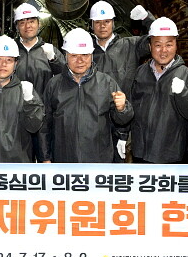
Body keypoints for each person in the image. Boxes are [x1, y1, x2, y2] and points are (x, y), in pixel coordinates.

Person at [37, 28, 134, 163]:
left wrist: (123, 108)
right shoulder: (54, 85)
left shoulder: (106, 83)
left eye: (85, 55)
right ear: (66, 55)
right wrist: (45, 157)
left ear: (92, 55)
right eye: (74, 55)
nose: (80, 60)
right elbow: (45, 125)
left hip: (99, 160)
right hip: (64, 159)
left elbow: (122, 120)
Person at [89, 0, 155, 161]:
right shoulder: (85, 52)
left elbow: (159, 39)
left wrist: (147, 19)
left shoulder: (130, 45)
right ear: (91, 25)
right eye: (98, 22)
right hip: (94, 123)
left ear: (113, 22)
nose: (102, 26)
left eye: (106, 21)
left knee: (121, 171)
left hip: (126, 122)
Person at [129, 17, 188, 164]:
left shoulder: (186, 75)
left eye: (169, 44)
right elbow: (131, 107)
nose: (163, 50)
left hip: (172, 156)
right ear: (150, 46)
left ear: (176, 46)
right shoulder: (140, 73)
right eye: (158, 45)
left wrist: (182, 94)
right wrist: (124, 135)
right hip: (141, 153)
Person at [13, 1, 65, 97]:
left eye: (31, 21)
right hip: (15, 104)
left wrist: (54, 60)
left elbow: (66, 76)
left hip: (43, 105)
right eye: (22, 23)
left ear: (39, 24)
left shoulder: (51, 51)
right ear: (17, 27)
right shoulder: (10, 51)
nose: (27, 26)